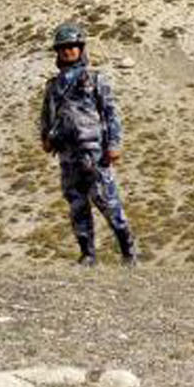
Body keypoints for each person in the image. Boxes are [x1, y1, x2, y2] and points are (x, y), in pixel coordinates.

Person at [39, 22, 137, 267]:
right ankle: (87, 255)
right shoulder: (53, 86)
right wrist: (46, 138)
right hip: (67, 154)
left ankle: (129, 253)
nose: (67, 51)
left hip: (94, 153)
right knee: (77, 205)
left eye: (72, 46)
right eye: (63, 47)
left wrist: (114, 145)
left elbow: (110, 113)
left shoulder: (95, 79)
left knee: (108, 204)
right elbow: (46, 115)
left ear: (81, 48)